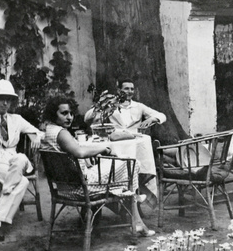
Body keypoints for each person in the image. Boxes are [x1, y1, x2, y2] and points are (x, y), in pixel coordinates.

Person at [43, 96, 155, 236]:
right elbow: (80, 152)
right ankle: (134, 199)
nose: (69, 117)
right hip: (82, 188)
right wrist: (103, 148)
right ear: (54, 113)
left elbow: (73, 156)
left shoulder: (49, 130)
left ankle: (136, 216)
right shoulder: (62, 133)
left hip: (65, 187)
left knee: (115, 166)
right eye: (64, 113)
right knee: (131, 164)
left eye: (71, 113)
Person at [0, 79, 44, 242]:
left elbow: (38, 132)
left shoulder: (16, 119)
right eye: (1, 99)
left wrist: (34, 136)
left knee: (21, 158)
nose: (5, 103)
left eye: (8, 99)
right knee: (23, 182)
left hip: (15, 162)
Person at [84, 78, 166, 132]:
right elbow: (87, 118)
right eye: (126, 89)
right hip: (117, 141)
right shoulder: (110, 105)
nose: (130, 91)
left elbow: (162, 116)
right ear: (119, 91)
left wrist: (151, 119)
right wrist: (100, 105)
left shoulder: (139, 106)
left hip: (135, 141)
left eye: (132, 89)